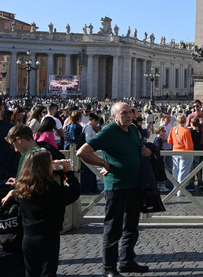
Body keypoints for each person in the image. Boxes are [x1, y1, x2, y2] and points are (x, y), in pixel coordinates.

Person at [77, 102, 152, 277]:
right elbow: (82, 152)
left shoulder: (133, 129)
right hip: (117, 186)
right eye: (124, 113)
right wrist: (103, 163)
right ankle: (108, 267)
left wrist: (147, 152)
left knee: (131, 227)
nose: (128, 115)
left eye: (130, 113)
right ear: (114, 116)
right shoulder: (108, 132)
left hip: (135, 185)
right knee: (113, 228)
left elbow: (139, 149)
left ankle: (126, 261)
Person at [14, 149, 80, 277]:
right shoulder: (50, 188)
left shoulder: (23, 187)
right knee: (48, 272)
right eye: (50, 162)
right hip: (48, 236)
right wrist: (69, 173)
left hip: (28, 235)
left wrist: (56, 172)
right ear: (44, 167)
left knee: (31, 273)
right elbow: (73, 192)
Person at [168, 115, 193, 196]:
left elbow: (169, 141)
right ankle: (180, 191)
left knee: (176, 171)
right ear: (185, 121)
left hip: (175, 152)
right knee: (183, 172)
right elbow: (189, 146)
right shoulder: (186, 131)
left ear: (177, 121)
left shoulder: (173, 129)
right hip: (184, 153)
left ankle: (175, 189)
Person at [187, 101, 203, 189]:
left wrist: (202, 124)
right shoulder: (190, 116)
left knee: (200, 162)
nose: (195, 107)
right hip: (192, 142)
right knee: (192, 163)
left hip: (202, 142)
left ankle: (200, 180)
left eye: (197, 106)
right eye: (194, 106)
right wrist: (194, 127)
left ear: (201, 106)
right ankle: (191, 181)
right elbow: (186, 127)